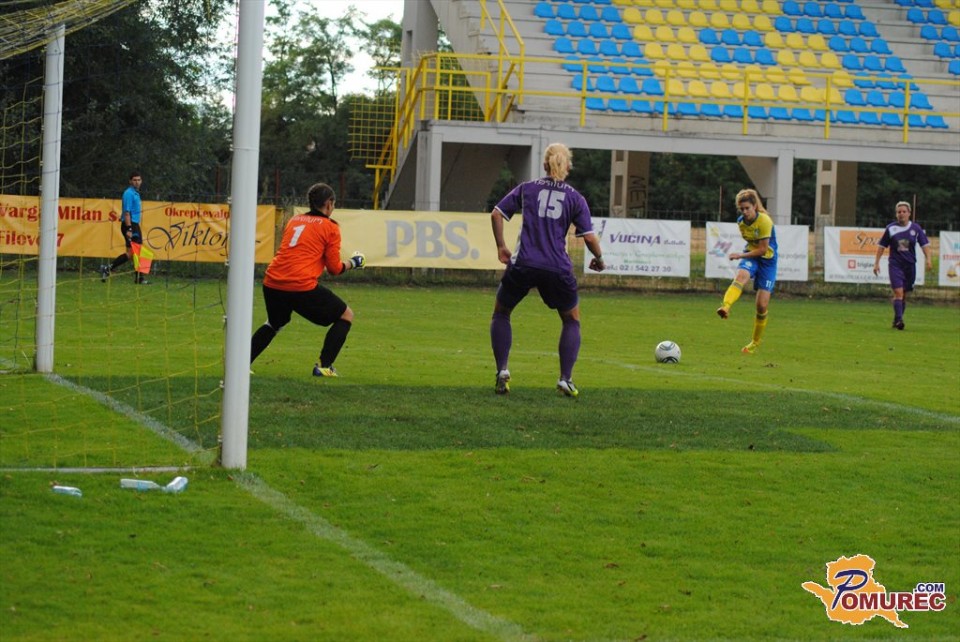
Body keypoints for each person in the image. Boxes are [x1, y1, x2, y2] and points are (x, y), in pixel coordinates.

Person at [489, 142, 605, 398]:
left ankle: (502, 371)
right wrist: (599, 258)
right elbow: (589, 237)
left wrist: (501, 247)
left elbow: (496, 214)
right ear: (568, 167)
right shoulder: (575, 197)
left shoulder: (527, 188)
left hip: (524, 263)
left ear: (544, 164)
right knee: (571, 319)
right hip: (556, 267)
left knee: (502, 312)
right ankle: (565, 379)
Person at [249, 182, 365, 377]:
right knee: (346, 315)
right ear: (328, 203)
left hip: (272, 281)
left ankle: (241, 364)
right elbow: (334, 269)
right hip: (299, 285)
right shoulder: (330, 227)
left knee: (275, 323)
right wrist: (354, 262)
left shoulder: (295, 220)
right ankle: (324, 366)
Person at [716, 188, 778, 354]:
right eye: (741, 209)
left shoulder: (764, 221)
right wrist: (744, 256)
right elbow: (753, 245)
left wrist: (740, 255)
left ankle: (755, 342)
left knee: (761, 305)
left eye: (747, 208)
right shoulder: (741, 222)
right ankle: (725, 307)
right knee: (741, 276)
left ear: (754, 206)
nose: (744, 212)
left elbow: (763, 250)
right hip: (752, 256)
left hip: (768, 261)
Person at [872, 200, 932, 330]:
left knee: (904, 294)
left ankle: (896, 319)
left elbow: (925, 245)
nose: (901, 214)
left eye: (904, 211)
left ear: (909, 213)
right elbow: (881, 247)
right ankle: (899, 320)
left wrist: (928, 259)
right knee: (898, 292)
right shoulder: (890, 228)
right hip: (895, 265)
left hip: (910, 266)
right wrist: (876, 263)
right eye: (899, 212)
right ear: (896, 214)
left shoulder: (916, 228)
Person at [101, 171, 147, 284]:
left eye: (139, 180)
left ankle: (109, 269)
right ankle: (138, 278)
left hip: (134, 224)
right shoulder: (128, 193)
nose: (137, 182)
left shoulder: (136, 193)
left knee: (133, 253)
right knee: (136, 252)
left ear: (141, 181)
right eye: (134, 180)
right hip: (130, 224)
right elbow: (127, 212)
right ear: (130, 181)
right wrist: (129, 228)